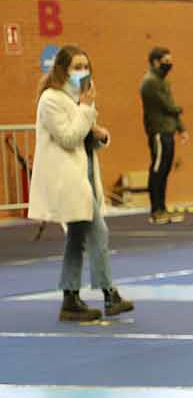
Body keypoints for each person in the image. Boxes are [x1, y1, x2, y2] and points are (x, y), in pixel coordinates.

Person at [29, 46, 134, 323]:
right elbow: (67, 138)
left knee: (76, 240)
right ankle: (109, 293)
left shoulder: (80, 99)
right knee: (99, 233)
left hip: (84, 175)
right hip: (67, 180)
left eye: (86, 65)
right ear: (62, 69)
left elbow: (84, 139)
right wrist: (87, 111)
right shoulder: (51, 100)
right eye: (76, 65)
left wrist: (99, 134)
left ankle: (70, 299)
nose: (82, 71)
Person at [139, 45, 187, 225]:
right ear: (155, 62)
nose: (169, 64)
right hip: (158, 131)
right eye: (166, 61)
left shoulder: (163, 82)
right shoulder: (150, 82)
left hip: (168, 130)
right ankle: (155, 210)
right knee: (157, 170)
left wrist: (181, 128)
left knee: (165, 170)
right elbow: (169, 106)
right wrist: (178, 110)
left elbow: (172, 108)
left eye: (170, 61)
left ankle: (162, 208)